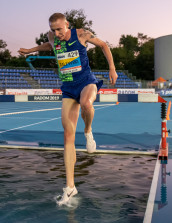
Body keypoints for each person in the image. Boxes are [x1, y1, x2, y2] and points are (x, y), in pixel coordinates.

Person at [18, 13, 118, 205]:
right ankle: (70, 187)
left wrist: (112, 67)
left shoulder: (81, 35)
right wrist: (31, 50)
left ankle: (88, 131)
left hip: (86, 81)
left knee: (87, 104)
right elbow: (49, 45)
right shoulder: (51, 37)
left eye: (60, 29)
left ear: (67, 25)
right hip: (68, 88)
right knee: (67, 135)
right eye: (53, 30)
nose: (57, 33)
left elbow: (104, 45)